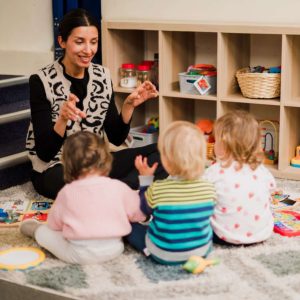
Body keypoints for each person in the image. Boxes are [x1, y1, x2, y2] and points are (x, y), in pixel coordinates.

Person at [25, 8, 167, 199]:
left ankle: (112, 191)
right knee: (71, 186)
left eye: (94, 42)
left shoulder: (102, 75)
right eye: (79, 42)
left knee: (164, 153)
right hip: (58, 167)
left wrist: (128, 106)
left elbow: (116, 138)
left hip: (98, 163)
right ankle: (120, 190)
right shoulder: (40, 80)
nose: (88, 50)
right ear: (62, 42)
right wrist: (62, 119)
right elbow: (44, 153)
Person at [20, 131, 146, 264]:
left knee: (47, 232)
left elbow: (54, 224)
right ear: (106, 161)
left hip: (79, 254)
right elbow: (139, 214)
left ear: (67, 165)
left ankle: (36, 231)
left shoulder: (67, 192)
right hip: (115, 249)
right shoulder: (119, 186)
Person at [125, 121, 216, 265]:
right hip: (201, 251)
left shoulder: (158, 189)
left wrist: (146, 181)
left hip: (163, 254)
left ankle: (147, 249)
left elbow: (143, 211)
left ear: (166, 161)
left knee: (130, 227)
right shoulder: (209, 188)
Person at [203, 110, 276, 245]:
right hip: (262, 233)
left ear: (224, 145)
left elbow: (200, 195)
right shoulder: (261, 170)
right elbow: (271, 188)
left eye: (216, 140)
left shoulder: (213, 172)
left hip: (223, 236)